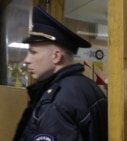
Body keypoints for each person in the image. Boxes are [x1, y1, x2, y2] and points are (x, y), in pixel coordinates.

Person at [13, 6, 107, 141]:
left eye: (33, 52)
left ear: (56, 56)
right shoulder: (87, 85)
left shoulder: (55, 102)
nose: (27, 60)